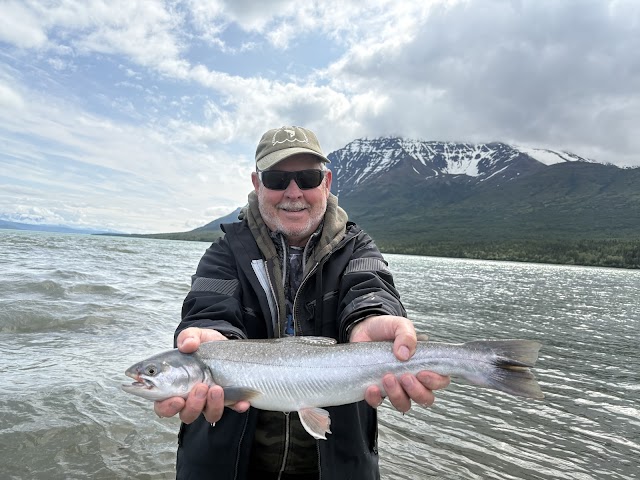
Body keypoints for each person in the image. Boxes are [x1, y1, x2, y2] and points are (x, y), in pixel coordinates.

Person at [155, 126, 450, 479]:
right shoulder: (224, 252)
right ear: (257, 183)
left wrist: (373, 318)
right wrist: (209, 336)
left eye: (307, 178)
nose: (293, 192)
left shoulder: (358, 248)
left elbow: (370, 290)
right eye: (277, 178)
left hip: (338, 465)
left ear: (325, 182)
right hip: (226, 464)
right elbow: (209, 308)